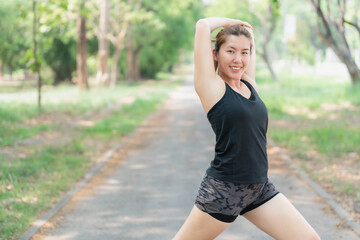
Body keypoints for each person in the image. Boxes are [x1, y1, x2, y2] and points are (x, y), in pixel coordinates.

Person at [172, 17, 321, 240]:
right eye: (230, 51)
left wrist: (246, 31)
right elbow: (202, 25)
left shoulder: (249, 83)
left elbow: (250, 39)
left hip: (259, 189)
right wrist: (233, 21)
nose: (238, 59)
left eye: (244, 53)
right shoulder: (211, 86)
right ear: (215, 54)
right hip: (224, 191)